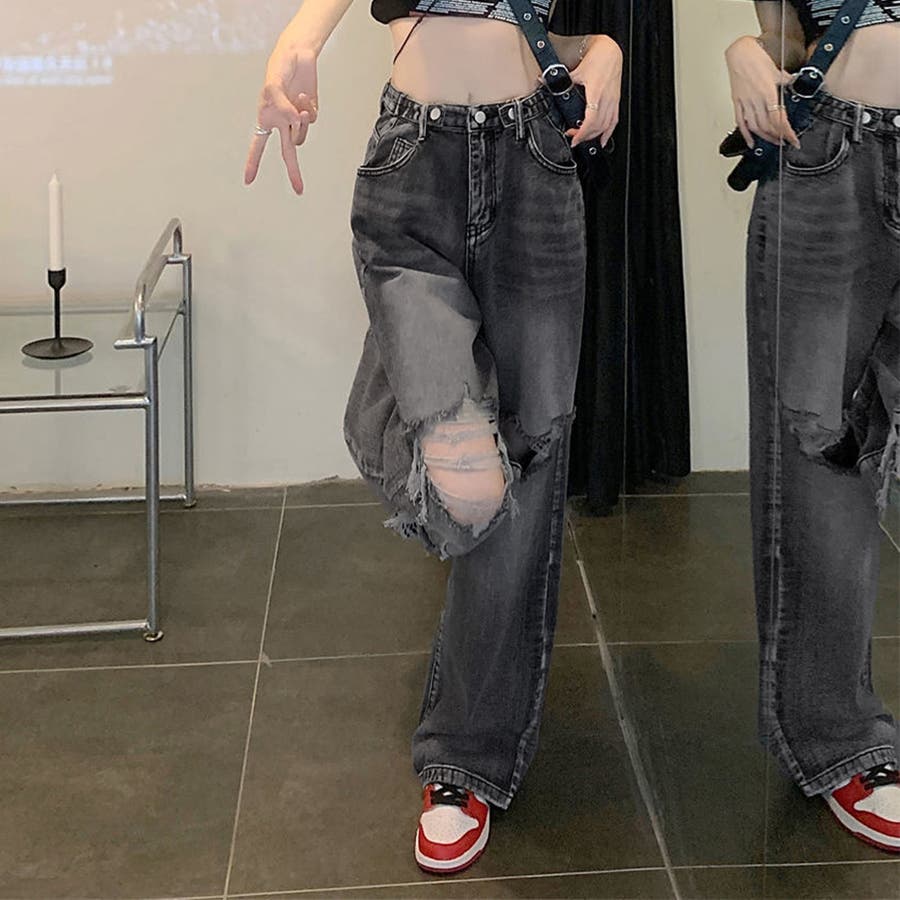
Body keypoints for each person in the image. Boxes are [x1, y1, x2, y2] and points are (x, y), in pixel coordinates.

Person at [244, 0, 623, 875]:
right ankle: (390, 414)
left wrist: (604, 48)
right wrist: (299, 39)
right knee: (472, 484)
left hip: (536, 161)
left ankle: (465, 758)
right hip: (415, 160)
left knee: (529, 460)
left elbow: (534, 25)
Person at [725, 0, 900, 852]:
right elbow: (792, 35)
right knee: (820, 454)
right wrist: (746, 49)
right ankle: (839, 739)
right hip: (834, 152)